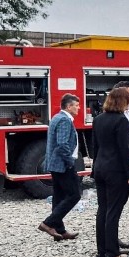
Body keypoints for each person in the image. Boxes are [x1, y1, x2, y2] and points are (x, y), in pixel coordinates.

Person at [91, 87, 129, 257]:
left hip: (100, 168)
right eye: (128, 99)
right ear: (122, 101)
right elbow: (124, 151)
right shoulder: (121, 121)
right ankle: (112, 253)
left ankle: (101, 251)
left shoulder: (98, 120)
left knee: (102, 210)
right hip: (116, 171)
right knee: (113, 212)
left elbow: (95, 147)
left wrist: (95, 168)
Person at [38, 93, 82, 241]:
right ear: (69, 107)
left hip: (55, 164)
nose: (79, 108)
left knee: (58, 197)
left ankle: (59, 230)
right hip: (62, 165)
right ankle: (48, 223)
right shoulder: (64, 120)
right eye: (76, 105)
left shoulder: (56, 117)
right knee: (74, 195)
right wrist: (70, 162)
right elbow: (62, 144)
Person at [111, 80, 129, 252]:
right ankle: (110, 245)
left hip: (126, 164)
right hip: (119, 169)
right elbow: (121, 147)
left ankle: (113, 239)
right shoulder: (118, 118)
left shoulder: (128, 114)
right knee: (112, 208)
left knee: (117, 206)